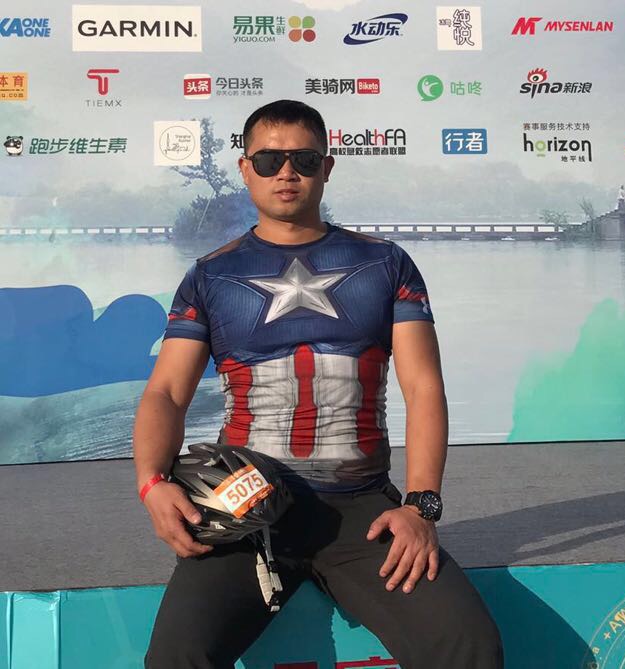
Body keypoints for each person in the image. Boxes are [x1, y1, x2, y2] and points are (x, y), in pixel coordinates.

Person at [133, 99, 503, 668]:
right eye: (269, 160)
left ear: (326, 168)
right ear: (245, 169)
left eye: (304, 159)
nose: (287, 172)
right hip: (245, 508)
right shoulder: (210, 275)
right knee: (176, 659)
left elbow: (423, 388)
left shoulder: (385, 264)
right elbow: (166, 393)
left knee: (468, 646)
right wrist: (152, 483)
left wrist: (421, 507)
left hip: (362, 511)